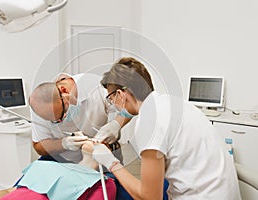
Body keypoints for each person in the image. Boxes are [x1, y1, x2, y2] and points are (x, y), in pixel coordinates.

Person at [92, 57, 241, 199]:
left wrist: (110, 162)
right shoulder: (173, 103)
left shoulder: (149, 121)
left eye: (111, 99)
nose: (113, 105)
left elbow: (150, 197)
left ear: (120, 94)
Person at [29, 72, 132, 199]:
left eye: (62, 115)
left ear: (64, 90)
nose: (61, 122)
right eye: (55, 121)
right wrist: (63, 143)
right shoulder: (41, 107)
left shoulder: (97, 88)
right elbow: (39, 146)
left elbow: (129, 104)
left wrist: (117, 123)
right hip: (61, 164)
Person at [0, 141, 117, 200]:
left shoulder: (104, 183)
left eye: (101, 142)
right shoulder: (50, 165)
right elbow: (10, 191)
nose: (95, 139)